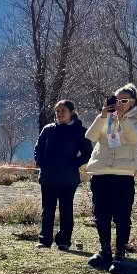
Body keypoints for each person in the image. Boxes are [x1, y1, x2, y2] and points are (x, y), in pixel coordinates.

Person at [84, 85, 137, 274]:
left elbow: (134, 138)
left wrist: (123, 119)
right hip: (101, 171)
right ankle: (105, 251)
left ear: (132, 102)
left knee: (121, 216)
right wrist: (102, 116)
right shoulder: (106, 116)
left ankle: (120, 254)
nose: (119, 103)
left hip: (123, 173)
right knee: (101, 214)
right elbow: (90, 136)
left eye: (124, 101)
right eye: (116, 99)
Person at [33, 100, 91, 250]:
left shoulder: (80, 131)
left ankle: (64, 241)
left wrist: (73, 165)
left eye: (63, 110)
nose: (59, 114)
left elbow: (87, 153)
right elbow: (38, 148)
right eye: (57, 111)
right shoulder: (48, 129)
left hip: (68, 179)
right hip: (48, 177)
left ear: (72, 112)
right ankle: (45, 240)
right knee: (47, 210)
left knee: (66, 211)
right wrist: (41, 163)